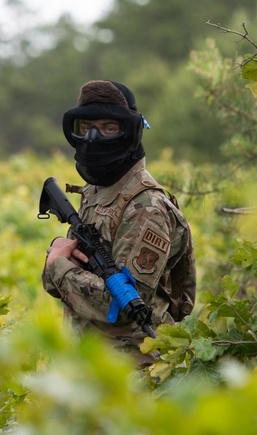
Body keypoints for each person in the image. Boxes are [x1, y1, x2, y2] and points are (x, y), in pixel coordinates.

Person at [41, 80, 196, 365]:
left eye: (108, 128)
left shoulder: (147, 207)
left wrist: (56, 266)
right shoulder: (97, 191)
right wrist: (61, 253)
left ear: (130, 132)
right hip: (92, 364)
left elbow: (122, 306)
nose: (93, 138)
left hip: (136, 372)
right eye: (85, 128)